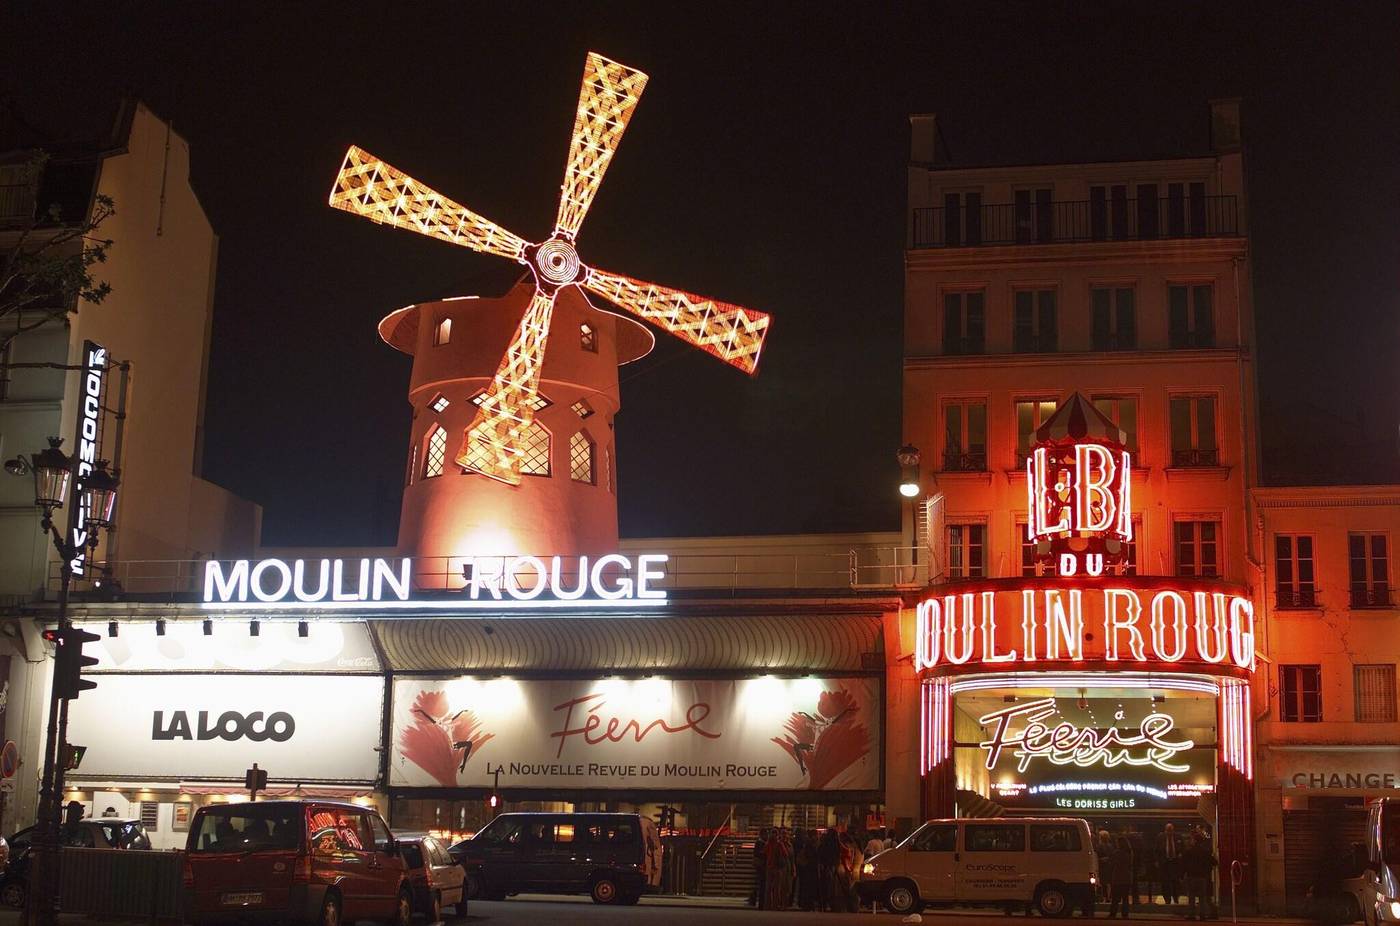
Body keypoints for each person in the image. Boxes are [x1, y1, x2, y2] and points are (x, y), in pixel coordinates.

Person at [1182, 832, 1217, 920]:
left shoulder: (1189, 851)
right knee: (1202, 897)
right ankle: (1202, 914)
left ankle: (1191, 914)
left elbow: (1184, 863)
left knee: (1191, 896)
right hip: (1202, 876)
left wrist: (1183, 874)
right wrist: (1207, 869)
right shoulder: (1205, 851)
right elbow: (1214, 862)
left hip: (1191, 876)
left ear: (1194, 840)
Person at [763, 828, 793, 910]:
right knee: (776, 888)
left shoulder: (768, 843)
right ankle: (775, 905)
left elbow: (764, 852)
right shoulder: (779, 844)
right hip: (777, 868)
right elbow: (785, 854)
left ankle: (767, 905)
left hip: (769, 866)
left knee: (768, 887)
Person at [1107, 834, 1134, 918]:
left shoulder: (1117, 853)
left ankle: (1113, 913)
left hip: (1117, 877)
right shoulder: (1129, 853)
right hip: (1127, 877)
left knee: (1115, 898)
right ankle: (1125, 913)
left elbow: (1111, 863)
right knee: (1125, 898)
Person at [1157, 823, 1181, 906]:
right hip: (1164, 863)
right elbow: (1156, 850)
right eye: (1168, 830)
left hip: (1175, 862)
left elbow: (1183, 848)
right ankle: (1167, 899)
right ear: (1165, 830)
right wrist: (1158, 861)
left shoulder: (1178, 836)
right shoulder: (1160, 837)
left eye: (1171, 830)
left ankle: (1176, 898)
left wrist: (1180, 855)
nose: (1170, 832)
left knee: (1175, 881)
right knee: (1165, 882)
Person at [817, 827, 841, 911]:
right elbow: (837, 855)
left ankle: (823, 904)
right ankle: (830, 904)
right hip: (832, 866)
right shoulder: (836, 843)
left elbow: (820, 854)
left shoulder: (824, 843)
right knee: (831, 886)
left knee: (824, 885)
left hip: (825, 866)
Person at [795, 829, 819, 910]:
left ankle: (806, 904)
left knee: (807, 887)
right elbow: (810, 856)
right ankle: (807, 904)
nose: (817, 836)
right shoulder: (810, 844)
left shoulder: (808, 844)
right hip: (809, 868)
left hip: (808, 868)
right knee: (809, 887)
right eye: (816, 835)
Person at [749, 828, 769, 907]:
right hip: (761, 866)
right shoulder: (760, 843)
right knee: (761, 884)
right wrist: (764, 853)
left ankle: (760, 901)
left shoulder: (763, 842)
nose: (767, 836)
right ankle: (760, 902)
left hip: (762, 865)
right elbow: (757, 853)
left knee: (761, 884)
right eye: (766, 834)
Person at [1096, 830, 1114, 903]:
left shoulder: (1099, 846)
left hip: (1103, 866)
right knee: (1108, 883)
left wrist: (1101, 859)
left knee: (1104, 882)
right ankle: (1109, 896)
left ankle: (1105, 897)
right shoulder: (1111, 846)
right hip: (1109, 866)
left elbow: (1097, 855)